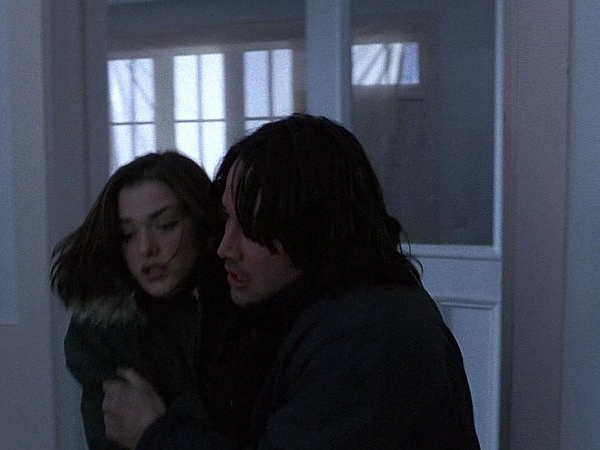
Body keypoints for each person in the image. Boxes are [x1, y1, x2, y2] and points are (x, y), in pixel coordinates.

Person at [102, 114, 480, 449]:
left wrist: (155, 434)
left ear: (311, 228)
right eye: (227, 219)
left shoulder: (368, 332)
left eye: (250, 226)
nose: (225, 247)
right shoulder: (303, 311)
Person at [51, 151, 226, 449]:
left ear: (202, 225)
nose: (146, 248)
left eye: (166, 225)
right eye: (128, 234)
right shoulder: (103, 329)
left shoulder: (243, 307)